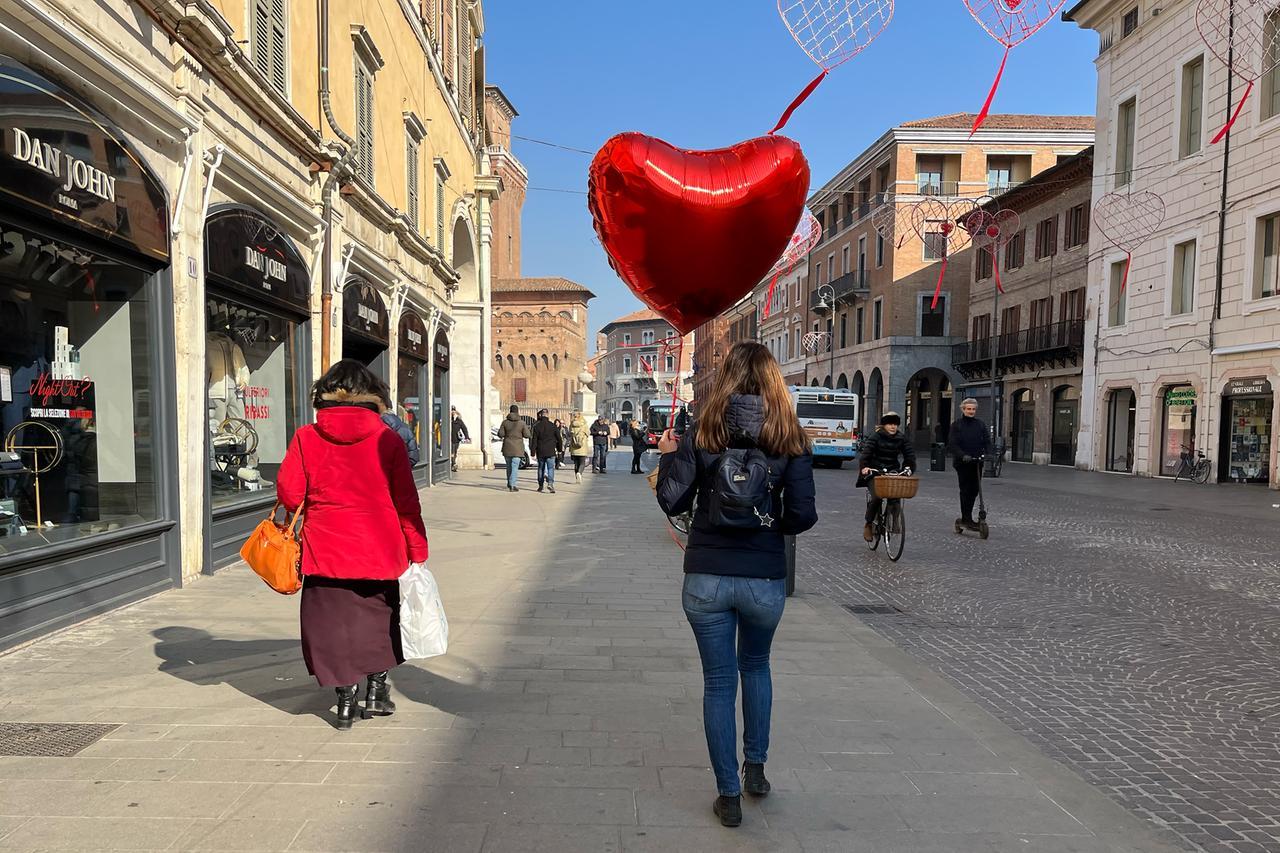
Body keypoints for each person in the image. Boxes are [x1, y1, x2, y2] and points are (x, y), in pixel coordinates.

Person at [656, 341, 818, 828]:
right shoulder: (791, 436)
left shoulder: (703, 430)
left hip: (705, 575)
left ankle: (726, 794)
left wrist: (668, 457)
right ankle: (757, 770)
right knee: (758, 667)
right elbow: (803, 516)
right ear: (774, 380)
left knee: (718, 683)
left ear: (726, 377)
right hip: (764, 578)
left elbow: (671, 500)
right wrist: (767, 521)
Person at [276, 360, 428, 731]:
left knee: (329, 625)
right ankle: (376, 691)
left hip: (324, 549)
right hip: (380, 548)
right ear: (373, 396)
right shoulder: (387, 439)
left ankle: (344, 700)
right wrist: (417, 549)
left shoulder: (306, 437)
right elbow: (406, 502)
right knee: (378, 621)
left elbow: (290, 494)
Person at [857, 412, 916, 542]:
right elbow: (865, 455)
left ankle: (894, 522)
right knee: (877, 497)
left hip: (893, 470)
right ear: (884, 425)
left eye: (895, 424)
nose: (893, 427)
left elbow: (910, 455)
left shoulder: (901, 438)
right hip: (875, 471)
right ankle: (868, 523)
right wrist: (865, 468)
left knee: (895, 496)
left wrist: (909, 468)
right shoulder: (875, 437)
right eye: (890, 424)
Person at [947, 397, 992, 531]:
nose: (971, 411)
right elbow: (952, 444)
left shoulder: (980, 424)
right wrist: (962, 455)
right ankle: (965, 518)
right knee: (965, 490)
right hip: (963, 462)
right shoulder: (957, 425)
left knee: (975, 490)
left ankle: (969, 517)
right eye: (968, 409)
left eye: (973, 409)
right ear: (963, 409)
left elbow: (987, 441)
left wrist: (989, 453)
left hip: (977, 461)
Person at [497, 405, 531, 492]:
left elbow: (500, 434)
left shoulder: (505, 422)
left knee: (508, 467)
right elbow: (527, 435)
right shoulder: (522, 423)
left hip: (507, 447)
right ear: (517, 411)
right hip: (518, 447)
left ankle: (509, 483)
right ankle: (513, 484)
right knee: (514, 466)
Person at [531, 409, 563, 494]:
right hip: (550, 450)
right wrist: (559, 449)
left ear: (541, 415)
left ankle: (540, 485)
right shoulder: (553, 426)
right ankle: (550, 484)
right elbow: (559, 439)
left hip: (540, 451)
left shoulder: (537, 426)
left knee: (541, 468)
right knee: (550, 468)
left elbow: (534, 440)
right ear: (548, 415)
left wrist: (533, 452)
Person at [569, 411, 591, 483]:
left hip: (574, 446)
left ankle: (576, 477)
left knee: (576, 463)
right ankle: (579, 473)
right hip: (582, 446)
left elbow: (569, 433)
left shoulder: (571, 424)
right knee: (582, 462)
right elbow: (588, 433)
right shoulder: (584, 424)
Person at [450, 406, 470, 472]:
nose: (452, 412)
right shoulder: (449, 419)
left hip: (456, 439)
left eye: (454, 411)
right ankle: (453, 464)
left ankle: (453, 464)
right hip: (449, 439)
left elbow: (464, 428)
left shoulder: (459, 420)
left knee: (454, 452)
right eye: (451, 411)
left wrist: (467, 437)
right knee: (452, 452)